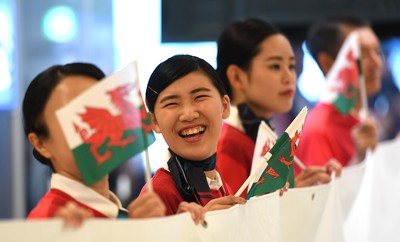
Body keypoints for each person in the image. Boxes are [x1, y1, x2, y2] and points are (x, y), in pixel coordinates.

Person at [23, 62, 166, 226]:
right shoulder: (49, 224)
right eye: (76, 113)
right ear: (41, 143)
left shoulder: (114, 212)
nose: (95, 129)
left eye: (101, 103)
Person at [216, 18, 342, 198]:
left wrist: (305, 186)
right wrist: (290, 196)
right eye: (275, 66)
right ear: (237, 77)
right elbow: (236, 221)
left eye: (291, 66)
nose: (289, 77)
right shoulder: (230, 145)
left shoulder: (260, 133)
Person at [139, 54, 246, 218]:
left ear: (225, 106)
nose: (188, 114)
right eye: (172, 103)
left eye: (200, 97)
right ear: (154, 121)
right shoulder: (157, 196)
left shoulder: (221, 184)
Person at [296, 14, 381, 168]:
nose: (377, 63)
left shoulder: (363, 117)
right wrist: (358, 161)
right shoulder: (319, 130)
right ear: (327, 63)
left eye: (377, 51)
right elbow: (319, 191)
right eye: (362, 53)